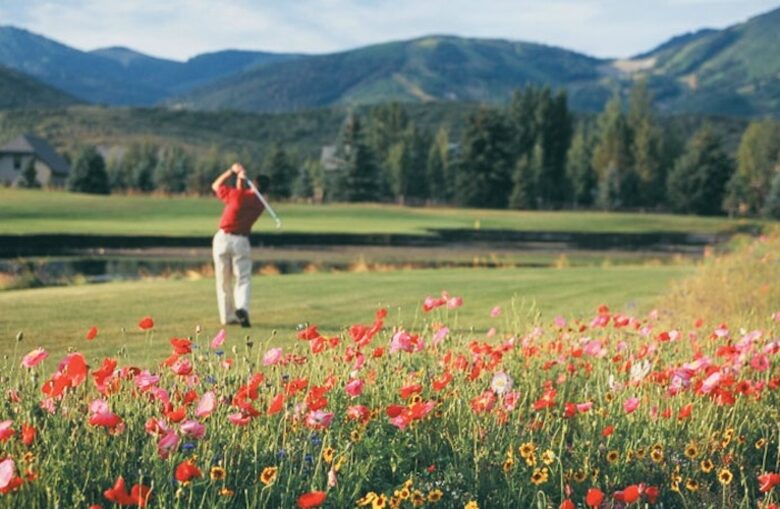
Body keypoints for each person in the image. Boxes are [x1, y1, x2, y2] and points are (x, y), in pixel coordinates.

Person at [211, 163, 270, 327]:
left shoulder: (236, 195)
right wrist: (241, 180)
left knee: (223, 280)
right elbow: (248, 195)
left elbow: (216, 185)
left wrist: (232, 172)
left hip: (223, 239)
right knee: (242, 278)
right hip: (241, 241)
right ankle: (242, 308)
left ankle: (227, 317)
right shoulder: (261, 204)